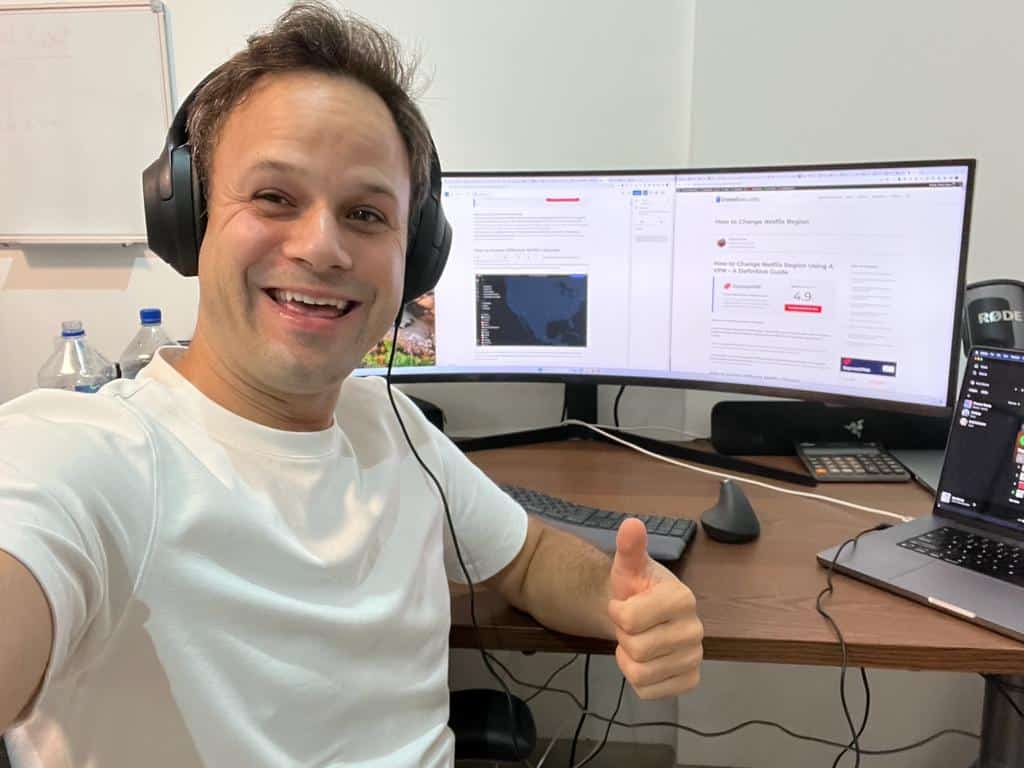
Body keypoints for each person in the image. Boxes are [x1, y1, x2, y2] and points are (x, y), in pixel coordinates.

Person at [0, 2, 703, 765]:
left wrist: (623, 599)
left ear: (416, 255)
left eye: (366, 213)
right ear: (189, 218)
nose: (323, 247)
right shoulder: (88, 458)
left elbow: (527, 558)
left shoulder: (389, 421)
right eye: (274, 197)